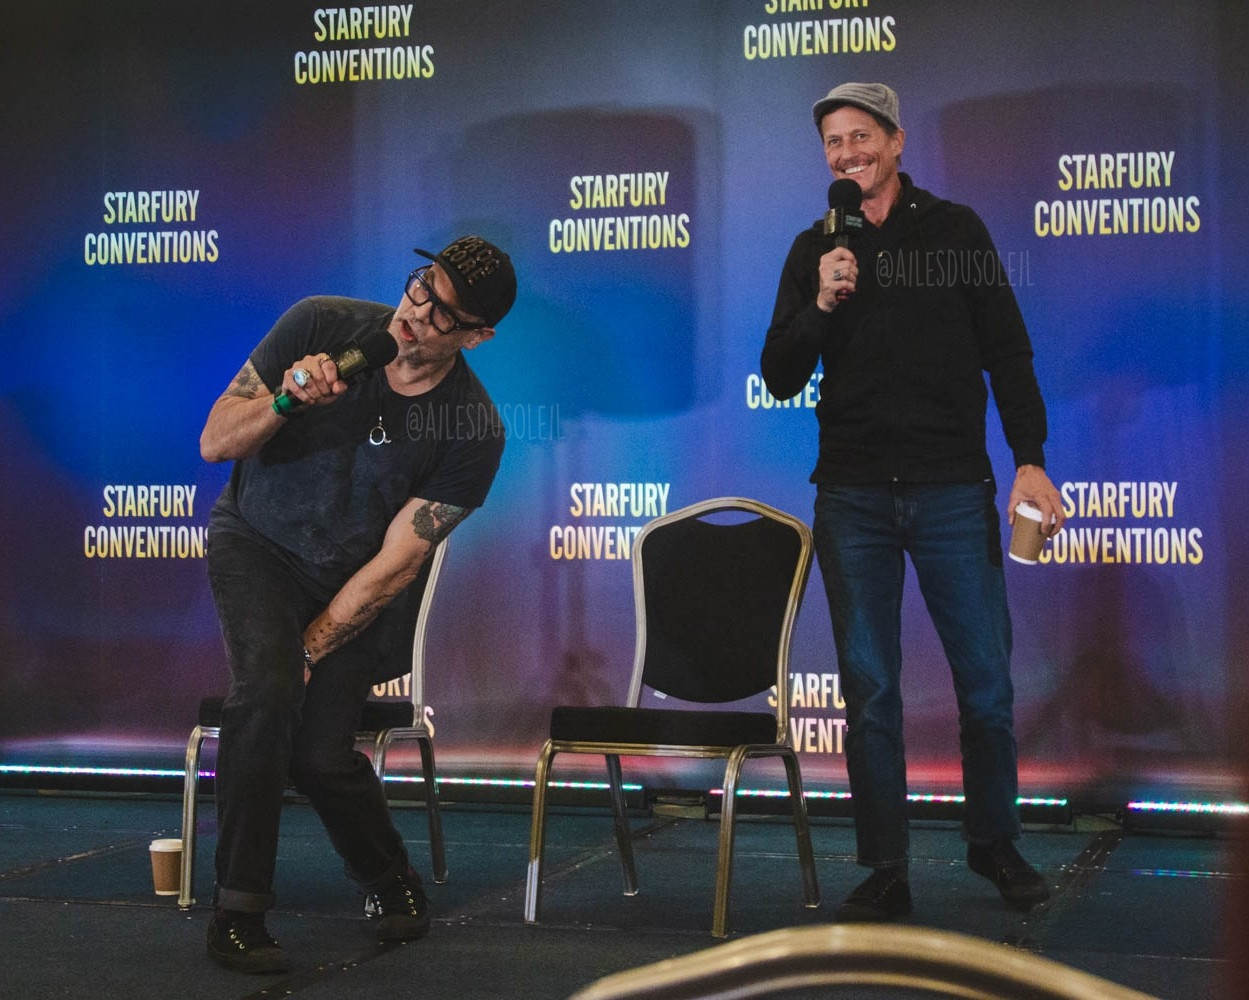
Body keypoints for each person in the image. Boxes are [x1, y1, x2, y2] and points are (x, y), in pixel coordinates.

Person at [761, 83, 1066, 922]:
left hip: (950, 491)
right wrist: (821, 301)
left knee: (984, 685)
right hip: (852, 496)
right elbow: (780, 373)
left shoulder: (955, 229)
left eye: (860, 136)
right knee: (869, 692)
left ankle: (992, 844)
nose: (845, 152)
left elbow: (1006, 350)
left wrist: (1029, 461)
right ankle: (885, 867)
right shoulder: (812, 249)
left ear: (894, 142)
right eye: (832, 142)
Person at [198, 235, 516, 972]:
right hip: (257, 543)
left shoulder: (472, 426)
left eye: (444, 315)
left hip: (352, 582)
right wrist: (283, 399)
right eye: (420, 287)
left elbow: (396, 563)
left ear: (477, 336)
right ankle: (238, 912)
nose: (417, 312)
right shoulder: (319, 324)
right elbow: (216, 442)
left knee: (318, 753)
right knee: (266, 694)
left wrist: (309, 649)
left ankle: (387, 876)